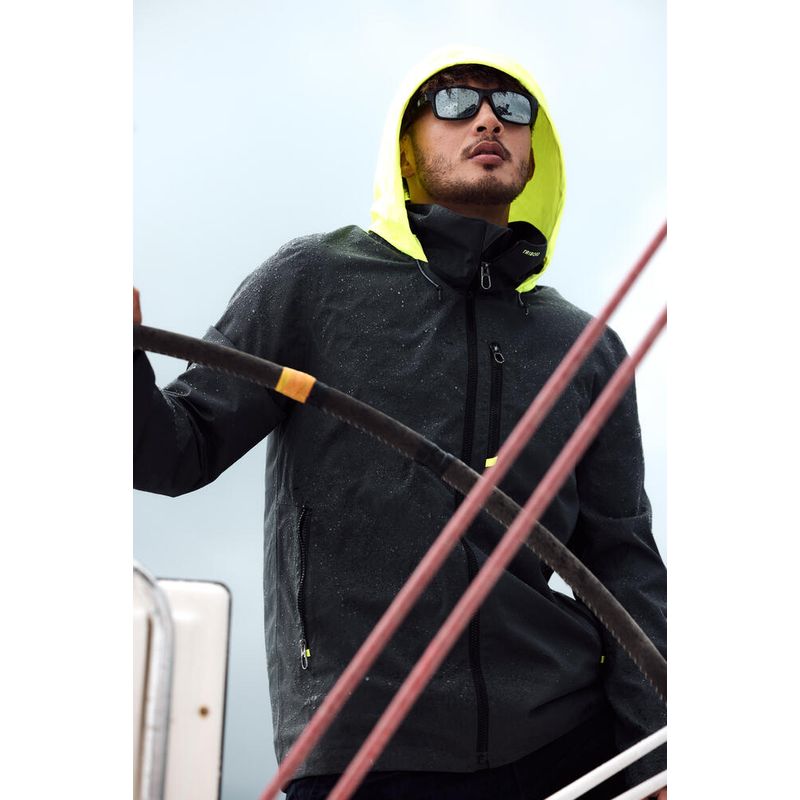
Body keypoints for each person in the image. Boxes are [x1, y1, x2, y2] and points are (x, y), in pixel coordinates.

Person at [134, 47, 667, 800]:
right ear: (406, 151)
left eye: (513, 107)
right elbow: (173, 451)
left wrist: (656, 758)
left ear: (534, 151)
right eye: (453, 101)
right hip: (364, 754)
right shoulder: (312, 281)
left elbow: (625, 564)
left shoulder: (584, 347)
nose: (488, 119)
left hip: (568, 747)